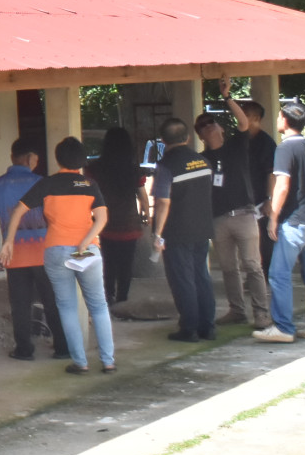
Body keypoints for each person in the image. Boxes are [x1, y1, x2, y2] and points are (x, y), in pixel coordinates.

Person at [3, 137, 113, 374]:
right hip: (88, 250)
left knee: (67, 307)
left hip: (57, 250)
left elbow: (18, 211)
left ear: (58, 159)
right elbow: (102, 219)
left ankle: (80, 363)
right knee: (99, 306)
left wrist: (9, 241)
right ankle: (108, 361)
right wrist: (85, 240)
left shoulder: (48, 184)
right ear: (81, 159)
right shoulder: (89, 184)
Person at [254, 101, 305, 343]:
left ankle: (284, 328)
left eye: (279, 116)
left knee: (278, 274)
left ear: (285, 121)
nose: (277, 120)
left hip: (294, 222)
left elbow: (282, 185)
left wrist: (273, 217)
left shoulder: (285, 148)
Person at [0, 140, 69, 361]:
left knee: (20, 305)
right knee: (52, 301)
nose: (37, 162)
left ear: (13, 157)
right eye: (36, 159)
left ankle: (24, 350)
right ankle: (62, 348)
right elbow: (56, 218)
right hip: (44, 254)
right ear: (29, 158)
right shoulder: (42, 182)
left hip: (13, 255)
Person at [150, 117, 217, 342]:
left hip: (177, 232)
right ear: (187, 138)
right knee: (201, 277)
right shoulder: (203, 161)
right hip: (202, 228)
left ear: (162, 141)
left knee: (183, 280)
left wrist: (157, 233)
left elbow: (162, 202)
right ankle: (208, 326)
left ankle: (189, 329)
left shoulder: (166, 166)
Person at [199, 111, 268, 327]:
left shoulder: (236, 145)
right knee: (228, 268)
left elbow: (244, 122)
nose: (208, 126)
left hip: (244, 214)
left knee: (252, 264)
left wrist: (228, 97)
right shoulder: (202, 160)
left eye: (212, 122)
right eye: (202, 125)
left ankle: (261, 313)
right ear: (200, 136)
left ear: (221, 128)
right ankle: (237, 310)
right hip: (218, 219)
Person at [87, 126, 148, 305]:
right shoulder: (133, 169)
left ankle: (108, 295)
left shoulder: (95, 168)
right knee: (126, 264)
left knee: (108, 261)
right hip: (129, 223)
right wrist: (147, 215)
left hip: (105, 223)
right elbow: (143, 197)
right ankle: (123, 298)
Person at [230, 94, 277, 271]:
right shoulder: (237, 139)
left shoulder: (266, 143)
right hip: (241, 200)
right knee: (246, 243)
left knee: (263, 242)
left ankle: (265, 277)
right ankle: (252, 276)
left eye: (245, 114)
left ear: (256, 118)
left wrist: (269, 199)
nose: (240, 117)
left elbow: (271, 173)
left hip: (260, 201)